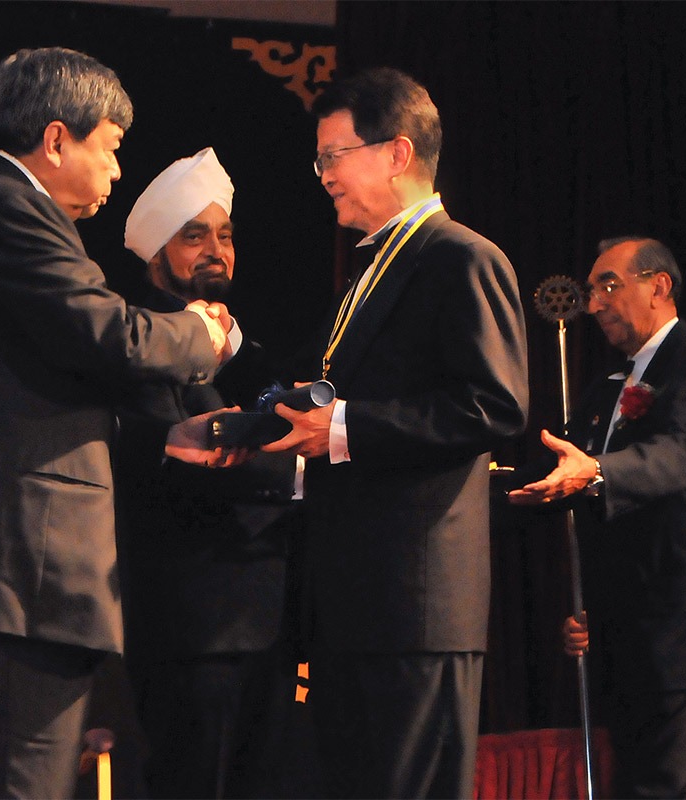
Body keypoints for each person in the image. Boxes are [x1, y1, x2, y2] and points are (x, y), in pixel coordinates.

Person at [0, 48, 239, 799]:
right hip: (21, 568)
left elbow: (52, 373)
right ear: (55, 140)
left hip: (17, 571)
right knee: (20, 783)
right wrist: (199, 331)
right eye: (109, 150)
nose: (113, 173)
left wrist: (161, 434)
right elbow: (107, 334)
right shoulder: (5, 205)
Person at [263, 67, 529, 798]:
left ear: (397, 153)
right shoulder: (370, 268)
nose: (323, 176)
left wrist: (344, 425)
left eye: (333, 155)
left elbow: (494, 404)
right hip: (357, 598)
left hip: (416, 600)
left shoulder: (463, 258)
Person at [508, 237, 686, 798]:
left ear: (659, 286)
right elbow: (577, 478)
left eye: (609, 285)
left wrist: (595, 471)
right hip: (627, 639)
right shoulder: (610, 387)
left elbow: (682, 455)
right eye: (594, 289)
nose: (594, 303)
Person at [111, 147, 311, 798]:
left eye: (224, 235)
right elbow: (157, 460)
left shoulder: (245, 352)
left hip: (270, 623)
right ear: (158, 253)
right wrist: (294, 474)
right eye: (194, 235)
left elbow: (282, 419)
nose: (215, 250)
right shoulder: (140, 342)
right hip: (189, 627)